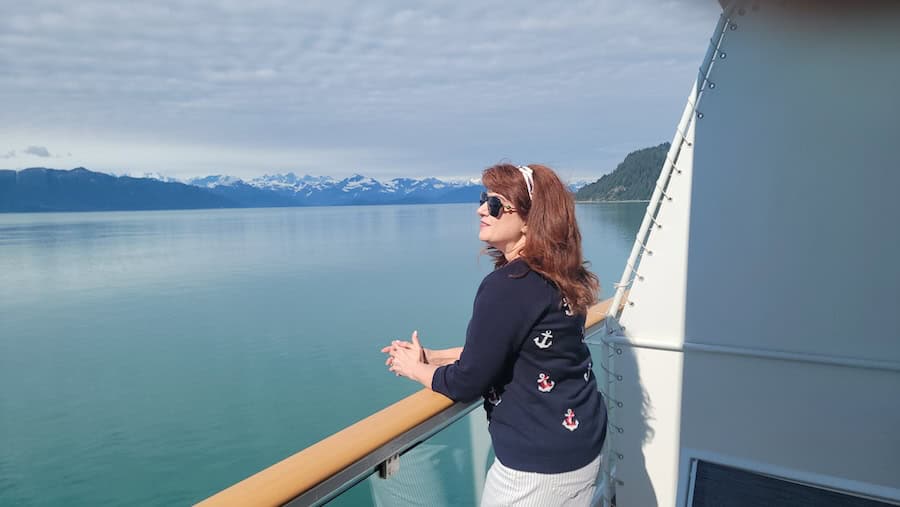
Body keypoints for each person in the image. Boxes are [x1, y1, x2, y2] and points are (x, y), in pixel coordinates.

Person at [382, 163, 607, 506]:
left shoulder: (508, 286)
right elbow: (521, 350)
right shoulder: (561, 274)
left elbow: (466, 383)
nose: (481, 210)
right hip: (582, 437)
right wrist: (434, 356)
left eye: (495, 204)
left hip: (537, 469)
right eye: (483, 199)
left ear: (531, 219)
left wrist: (415, 369)